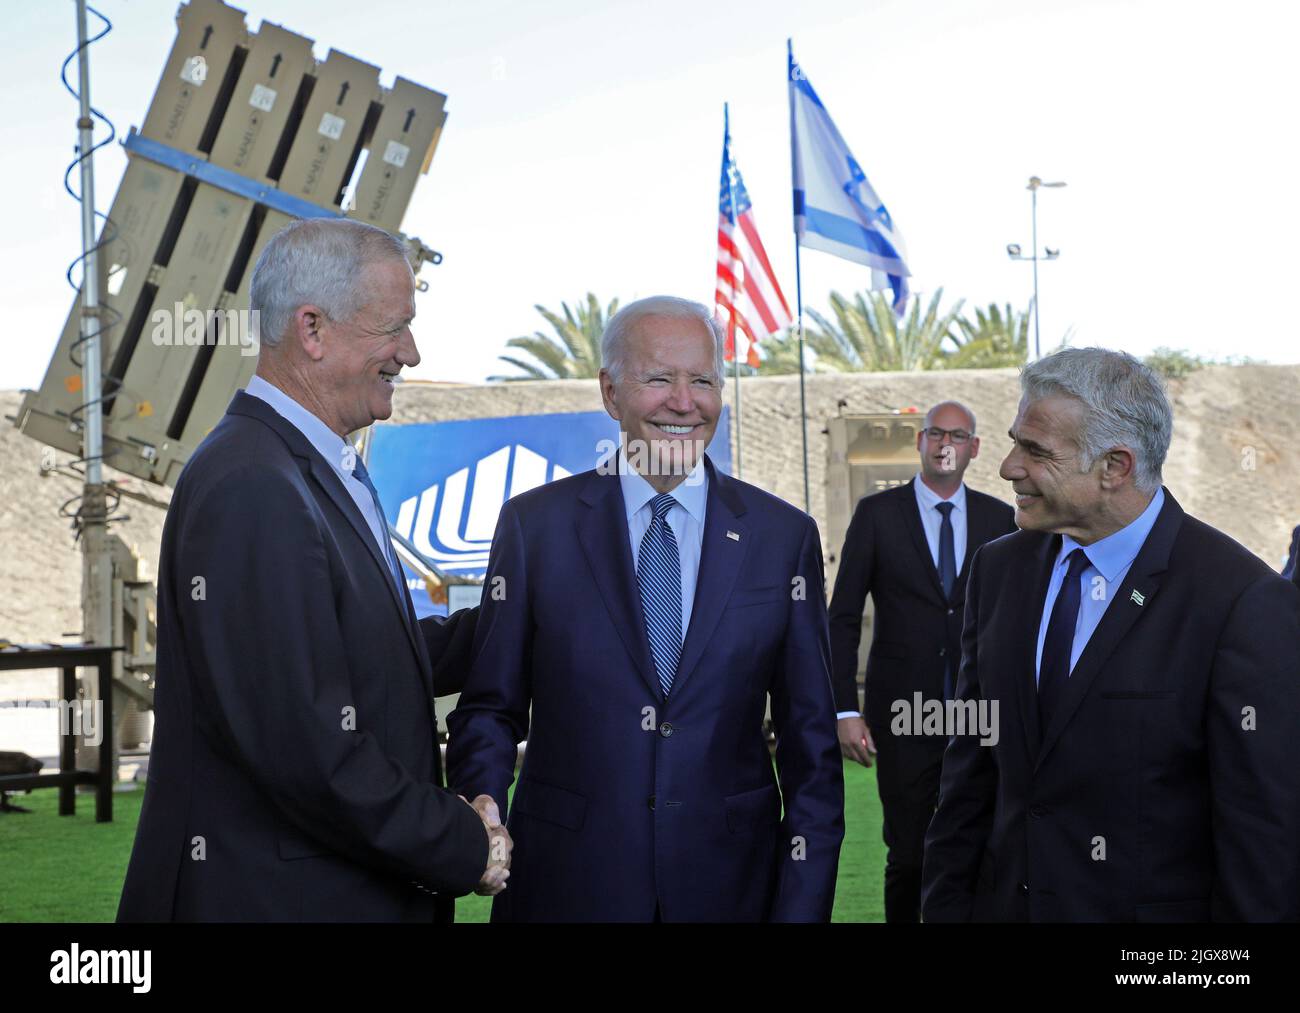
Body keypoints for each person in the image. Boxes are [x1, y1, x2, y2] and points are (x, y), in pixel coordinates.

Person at [117, 218, 510, 922]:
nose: (411, 353)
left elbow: (363, 657)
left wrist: (524, 626)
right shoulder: (254, 485)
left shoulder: (300, 464)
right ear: (312, 329)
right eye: (394, 327)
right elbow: (305, 743)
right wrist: (463, 842)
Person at [446, 296, 844, 922]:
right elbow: (490, 707)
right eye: (659, 378)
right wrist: (482, 802)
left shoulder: (782, 536)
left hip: (731, 891)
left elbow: (811, 747)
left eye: (704, 381)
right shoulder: (535, 527)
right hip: (565, 890)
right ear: (610, 392)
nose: (684, 402)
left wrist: (800, 909)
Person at [922, 347, 1300, 922]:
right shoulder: (998, 571)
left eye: (1036, 451)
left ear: (1115, 467)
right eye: (1014, 440)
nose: (1006, 467)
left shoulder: (1241, 602)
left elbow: (1262, 843)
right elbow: (969, 777)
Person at [828, 401, 1015, 923]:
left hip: (979, 716)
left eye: (958, 435)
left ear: (975, 448)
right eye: (936, 433)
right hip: (903, 713)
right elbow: (842, 616)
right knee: (908, 856)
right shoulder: (876, 515)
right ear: (920, 441)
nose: (945, 444)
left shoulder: (1002, 519)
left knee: (979, 849)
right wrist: (845, 708)